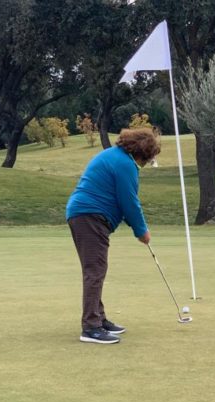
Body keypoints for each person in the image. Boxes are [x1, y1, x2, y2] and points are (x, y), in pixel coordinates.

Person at [66, 127, 160, 344]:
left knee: (95, 269)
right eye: (148, 157)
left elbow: (120, 201)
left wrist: (136, 227)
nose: (146, 161)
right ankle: (91, 327)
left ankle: (98, 318)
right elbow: (129, 203)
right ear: (142, 152)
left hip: (85, 215)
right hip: (89, 216)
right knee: (95, 271)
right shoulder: (125, 164)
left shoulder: (114, 155)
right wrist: (142, 231)